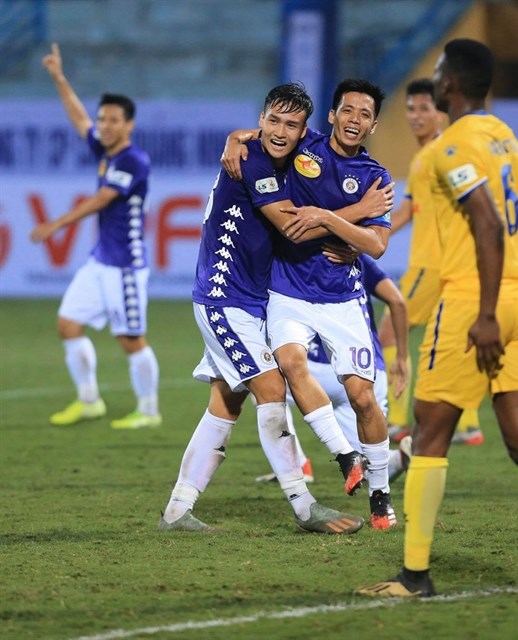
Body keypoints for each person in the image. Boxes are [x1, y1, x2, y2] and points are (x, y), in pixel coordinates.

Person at [356, 39, 518, 600]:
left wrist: (487, 314)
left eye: (441, 72)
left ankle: (414, 577)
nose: (436, 78)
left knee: (429, 434)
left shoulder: (452, 150)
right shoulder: (506, 139)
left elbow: (488, 225)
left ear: (451, 85)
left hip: (480, 302)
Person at [159, 83, 391, 535]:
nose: (281, 131)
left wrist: (238, 134)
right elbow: (295, 232)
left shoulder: (276, 154)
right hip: (225, 296)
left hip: (251, 299)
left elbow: (267, 145)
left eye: (291, 124)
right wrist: (359, 210)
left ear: (305, 130)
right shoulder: (253, 161)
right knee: (272, 389)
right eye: (273, 120)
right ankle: (305, 506)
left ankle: (177, 510)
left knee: (225, 403)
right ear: (261, 119)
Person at [225, 79, 399, 529]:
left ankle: (380, 492)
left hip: (343, 297)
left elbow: (377, 246)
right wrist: (234, 137)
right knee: (290, 362)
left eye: (364, 114)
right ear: (332, 115)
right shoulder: (306, 147)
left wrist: (328, 218)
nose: (354, 120)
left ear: (373, 123)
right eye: (347, 110)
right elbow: (263, 136)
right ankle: (345, 457)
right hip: (289, 289)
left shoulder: (376, 178)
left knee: (363, 398)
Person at [30, 43, 161, 430]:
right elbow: (77, 118)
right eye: (102, 119)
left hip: (124, 265)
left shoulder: (133, 160)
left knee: (130, 339)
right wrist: (58, 76)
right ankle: (89, 401)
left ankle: (149, 410)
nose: (103, 125)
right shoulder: (105, 151)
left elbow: (103, 199)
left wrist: (56, 225)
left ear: (129, 125)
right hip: (100, 259)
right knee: (68, 324)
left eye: (112, 120)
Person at [378, 78, 483, 447]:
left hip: (433, 265)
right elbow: (411, 206)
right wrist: (377, 234)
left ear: (442, 113)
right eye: (410, 108)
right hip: (449, 267)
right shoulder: (427, 156)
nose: (415, 116)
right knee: (452, 342)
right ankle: (468, 425)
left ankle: (396, 421)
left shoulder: (442, 153)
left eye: (424, 108)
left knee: (390, 332)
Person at [255, 253, 413, 485]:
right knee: (369, 464)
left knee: (262, 385)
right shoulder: (356, 257)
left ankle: (297, 464)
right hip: (367, 373)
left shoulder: (292, 258)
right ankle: (397, 459)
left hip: (317, 371)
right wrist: (401, 356)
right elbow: (397, 301)